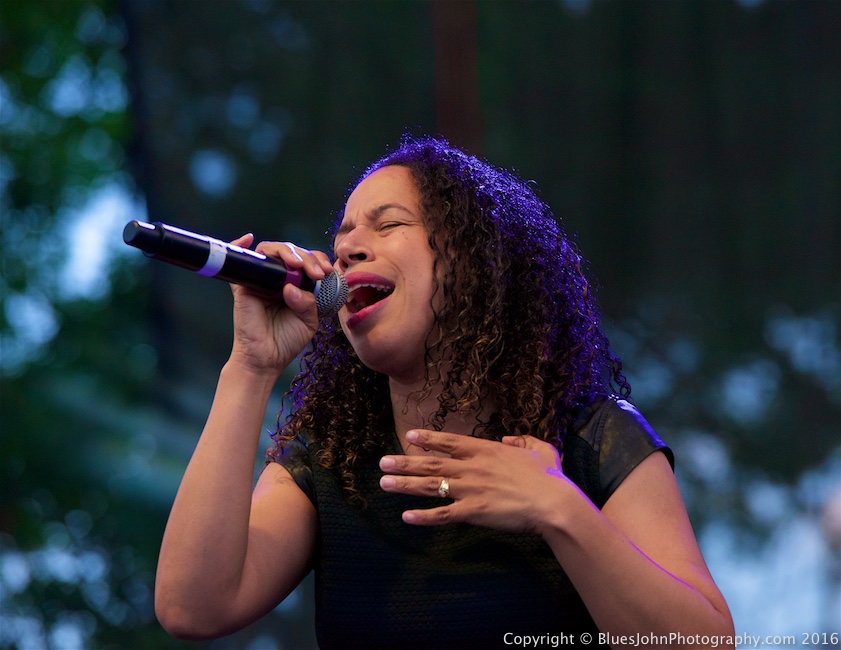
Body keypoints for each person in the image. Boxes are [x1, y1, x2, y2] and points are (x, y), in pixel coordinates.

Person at [154, 136, 735, 648]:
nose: (349, 249)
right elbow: (193, 607)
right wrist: (251, 366)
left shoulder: (593, 439)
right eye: (345, 237)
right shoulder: (329, 460)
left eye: (388, 225)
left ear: (472, 261)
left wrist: (558, 509)